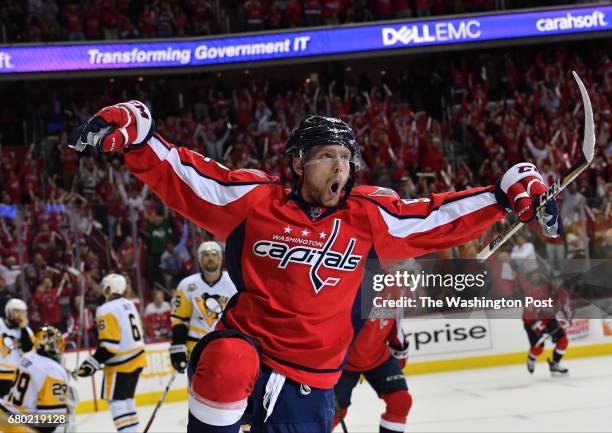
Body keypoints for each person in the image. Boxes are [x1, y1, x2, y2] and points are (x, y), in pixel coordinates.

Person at [69, 101, 563, 432]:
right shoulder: (256, 201)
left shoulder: (368, 216)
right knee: (226, 362)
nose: (340, 169)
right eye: (327, 157)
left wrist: (504, 193)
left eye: (346, 159)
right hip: (248, 347)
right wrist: (139, 136)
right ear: (299, 163)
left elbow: (434, 216)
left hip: (315, 377)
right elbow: (187, 176)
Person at [76, 273, 147, 432]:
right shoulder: (130, 304)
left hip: (120, 364)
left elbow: (110, 346)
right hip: (138, 359)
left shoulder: (105, 309)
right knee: (127, 400)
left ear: (108, 288)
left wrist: (92, 362)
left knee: (116, 402)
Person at [333, 313, 411, 433]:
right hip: (342, 363)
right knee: (333, 412)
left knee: (400, 400)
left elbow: (396, 325)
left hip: (379, 357)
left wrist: (400, 353)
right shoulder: (349, 295)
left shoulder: (392, 297)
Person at [169, 241, 237, 373]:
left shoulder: (233, 282)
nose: (210, 258)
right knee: (196, 392)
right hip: (196, 347)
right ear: (200, 259)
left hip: (227, 345)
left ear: (221, 258)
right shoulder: (187, 285)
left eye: (214, 254)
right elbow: (179, 318)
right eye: (206, 254)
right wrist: (177, 346)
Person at [0, 325, 74, 433]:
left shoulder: (27, 356)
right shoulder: (53, 370)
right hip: (20, 425)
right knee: (66, 422)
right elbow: (49, 425)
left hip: (6, 416)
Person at [522, 270, 572, 376]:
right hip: (530, 321)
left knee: (563, 341)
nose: (557, 283)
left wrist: (567, 321)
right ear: (549, 281)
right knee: (539, 348)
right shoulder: (538, 292)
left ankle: (555, 364)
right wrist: (537, 325)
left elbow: (568, 310)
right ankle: (531, 358)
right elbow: (529, 310)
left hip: (549, 319)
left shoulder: (563, 294)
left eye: (559, 280)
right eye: (554, 280)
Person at [0, 299, 34, 398]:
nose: (20, 315)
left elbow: (28, 350)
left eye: (22, 312)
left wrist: (23, 328)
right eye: (17, 312)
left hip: (13, 377)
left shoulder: (27, 332)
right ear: (9, 311)